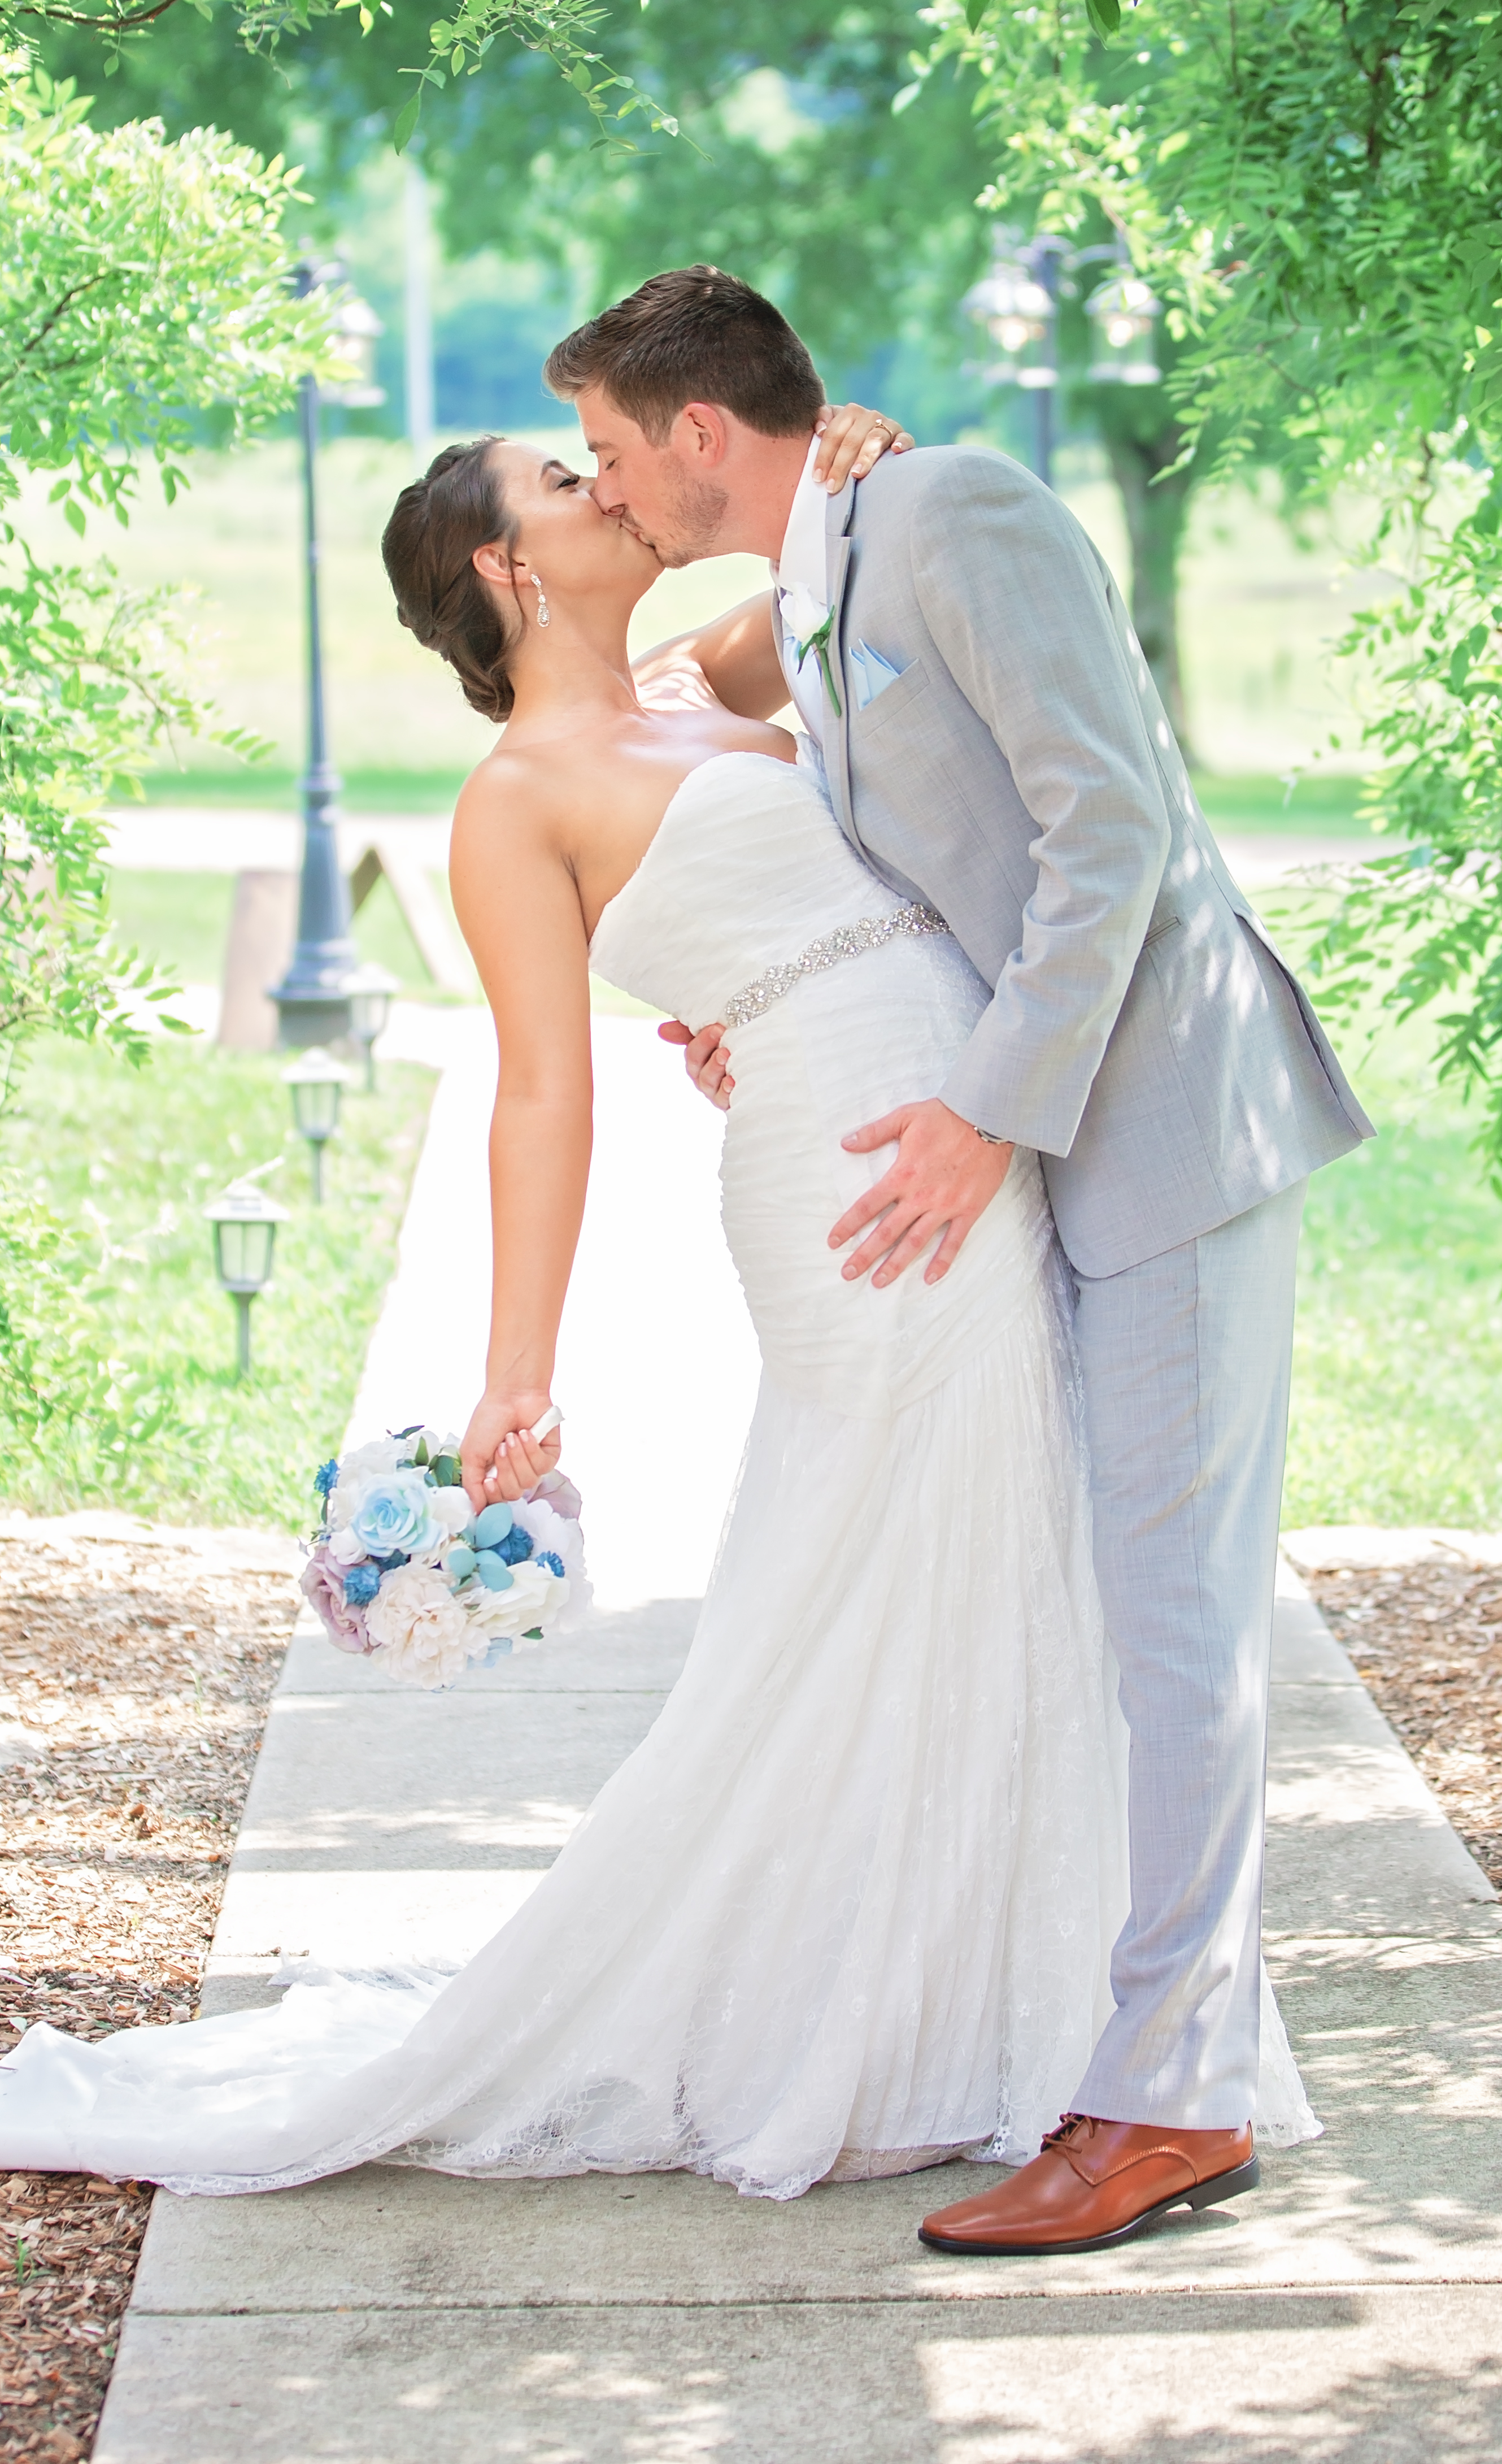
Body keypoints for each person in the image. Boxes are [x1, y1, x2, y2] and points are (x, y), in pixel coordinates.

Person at [0, 362, 1318, 2205]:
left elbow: (826, 571)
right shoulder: (518, 802)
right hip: (854, 1186)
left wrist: (861, 449)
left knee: (1003, 1567)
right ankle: (907, 2019)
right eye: (567, 479)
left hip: (987, 1127)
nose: (609, 484)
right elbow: (540, 1098)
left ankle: (1015, 2014)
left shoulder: (698, 675)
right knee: (892, 1568)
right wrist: (514, 1372)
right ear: (505, 570)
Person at [558, 266, 1371, 2254]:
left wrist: (983, 1105)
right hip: (1053, 1149)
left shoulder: (960, 513)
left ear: (696, 434)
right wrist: (765, 992)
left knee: (1173, 1624)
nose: (603, 491)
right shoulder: (833, 549)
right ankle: (1103, 2050)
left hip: (1164, 1126)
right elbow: (875, 828)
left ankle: (1166, 2108)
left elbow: (1118, 832)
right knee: (1111, 1610)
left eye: (605, 451)